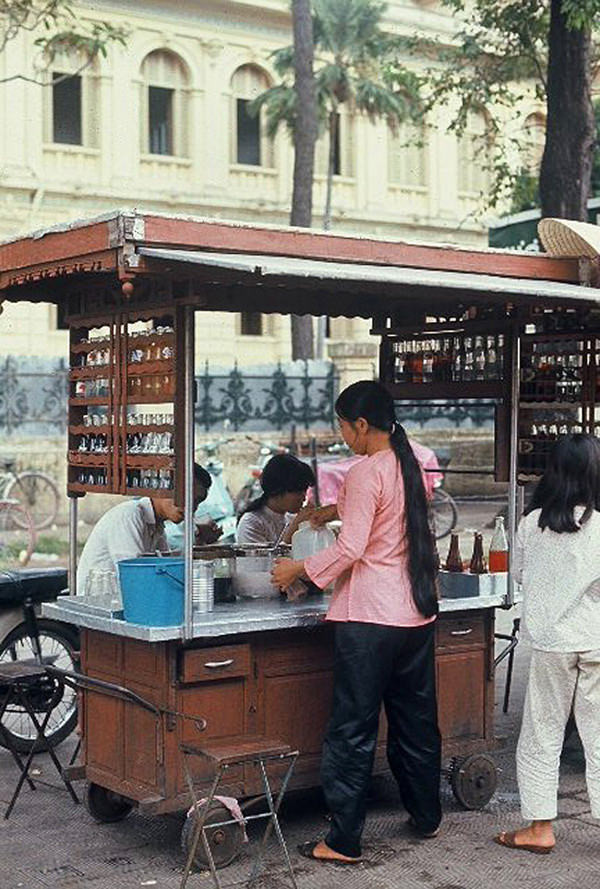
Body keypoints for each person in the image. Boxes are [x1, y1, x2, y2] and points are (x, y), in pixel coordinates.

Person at [272, 380, 441, 864]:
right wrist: (325, 509)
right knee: (416, 722)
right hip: (414, 614)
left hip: (370, 619)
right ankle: (426, 816)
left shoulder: (364, 471)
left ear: (362, 426)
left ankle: (343, 840)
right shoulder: (408, 465)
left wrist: (298, 569)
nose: (344, 437)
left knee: (352, 729)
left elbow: (353, 547)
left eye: (343, 428)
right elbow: (378, 517)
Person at [495, 434, 600, 855]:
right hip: (596, 639)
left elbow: (520, 576)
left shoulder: (531, 524)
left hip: (551, 643)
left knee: (542, 733)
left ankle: (540, 827)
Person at [77, 463, 216, 595]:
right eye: (187, 497)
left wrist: (199, 542)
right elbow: (138, 577)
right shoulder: (129, 515)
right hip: (100, 608)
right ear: (163, 486)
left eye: (197, 502)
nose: (191, 508)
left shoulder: (157, 526)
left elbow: (169, 570)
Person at [237, 453, 316, 546]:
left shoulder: (290, 518)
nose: (303, 498)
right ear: (277, 491)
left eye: (305, 491)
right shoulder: (252, 523)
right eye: (298, 492)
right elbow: (263, 560)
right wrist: (294, 528)